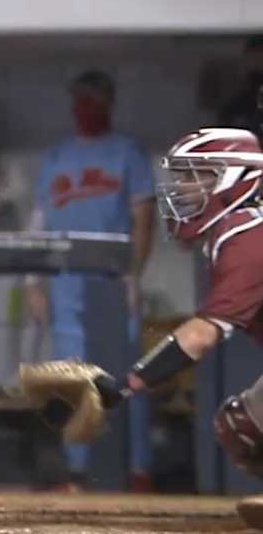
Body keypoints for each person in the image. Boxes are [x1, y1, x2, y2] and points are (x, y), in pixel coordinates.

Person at [52, 128, 263, 521]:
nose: (181, 187)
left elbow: (200, 336)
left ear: (235, 178)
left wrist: (125, 385)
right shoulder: (241, 229)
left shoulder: (247, 236)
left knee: (245, 425)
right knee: (240, 426)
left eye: (195, 175)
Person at [23, 71, 155, 491]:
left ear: (109, 101)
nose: (84, 106)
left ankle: (136, 468)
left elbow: (143, 220)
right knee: (71, 378)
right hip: (65, 281)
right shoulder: (58, 156)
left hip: (111, 279)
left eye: (93, 99)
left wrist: (135, 275)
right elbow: (40, 221)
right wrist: (33, 281)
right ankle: (79, 470)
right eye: (80, 98)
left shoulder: (127, 153)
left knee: (124, 377)